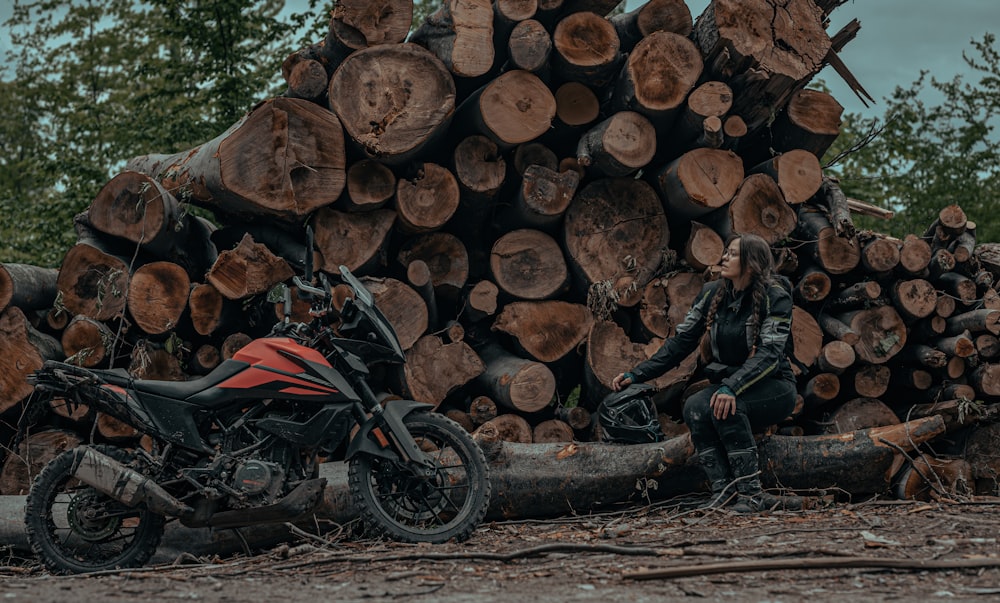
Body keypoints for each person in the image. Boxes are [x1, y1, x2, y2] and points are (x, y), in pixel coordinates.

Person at [611, 233, 798, 513]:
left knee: (726, 408)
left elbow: (769, 355)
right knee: (695, 406)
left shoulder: (776, 296)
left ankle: (751, 494)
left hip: (773, 386)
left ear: (752, 262)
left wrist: (732, 388)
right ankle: (723, 491)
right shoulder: (713, 293)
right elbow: (681, 342)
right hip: (730, 386)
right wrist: (638, 374)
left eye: (733, 254)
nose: (724, 258)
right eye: (725, 252)